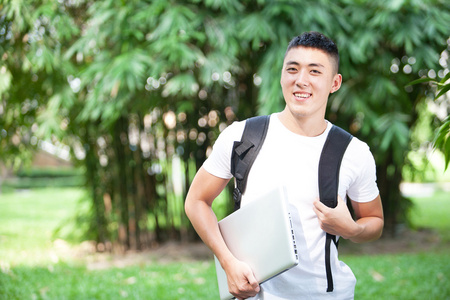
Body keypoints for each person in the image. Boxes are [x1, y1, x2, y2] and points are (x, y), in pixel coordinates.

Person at [185, 31, 384, 300]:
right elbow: (196, 200)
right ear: (281, 75)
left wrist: (352, 230)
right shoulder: (242, 136)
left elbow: (375, 220)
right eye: (292, 69)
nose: (301, 81)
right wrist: (227, 262)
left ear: (334, 83)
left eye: (315, 71)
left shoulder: (353, 152)